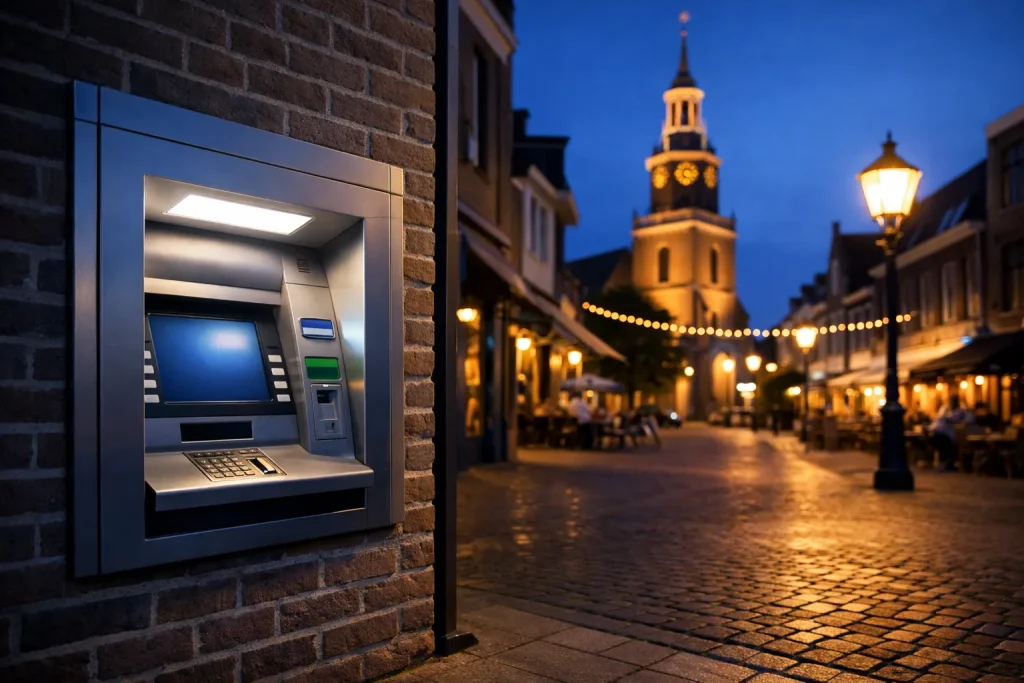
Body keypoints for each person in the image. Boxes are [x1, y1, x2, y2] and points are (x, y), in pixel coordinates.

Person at [929, 395, 975, 471]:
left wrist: (960, 422)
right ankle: (946, 463)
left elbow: (970, 419)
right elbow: (938, 420)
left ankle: (948, 463)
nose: (952, 403)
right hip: (938, 432)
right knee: (934, 439)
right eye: (951, 401)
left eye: (954, 401)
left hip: (952, 435)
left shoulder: (962, 410)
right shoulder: (944, 409)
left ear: (957, 402)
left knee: (942, 441)